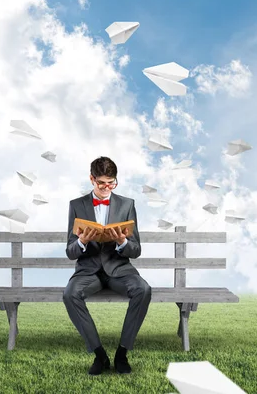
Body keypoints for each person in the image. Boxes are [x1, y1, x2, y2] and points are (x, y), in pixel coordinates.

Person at [63, 156, 151, 375]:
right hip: (88, 271)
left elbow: (136, 250)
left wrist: (122, 242)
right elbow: (70, 252)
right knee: (70, 294)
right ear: (92, 179)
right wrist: (82, 241)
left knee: (143, 289)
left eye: (111, 183)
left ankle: (122, 353)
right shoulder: (76, 205)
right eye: (101, 183)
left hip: (119, 269)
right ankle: (99, 355)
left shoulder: (127, 204)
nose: (106, 188)